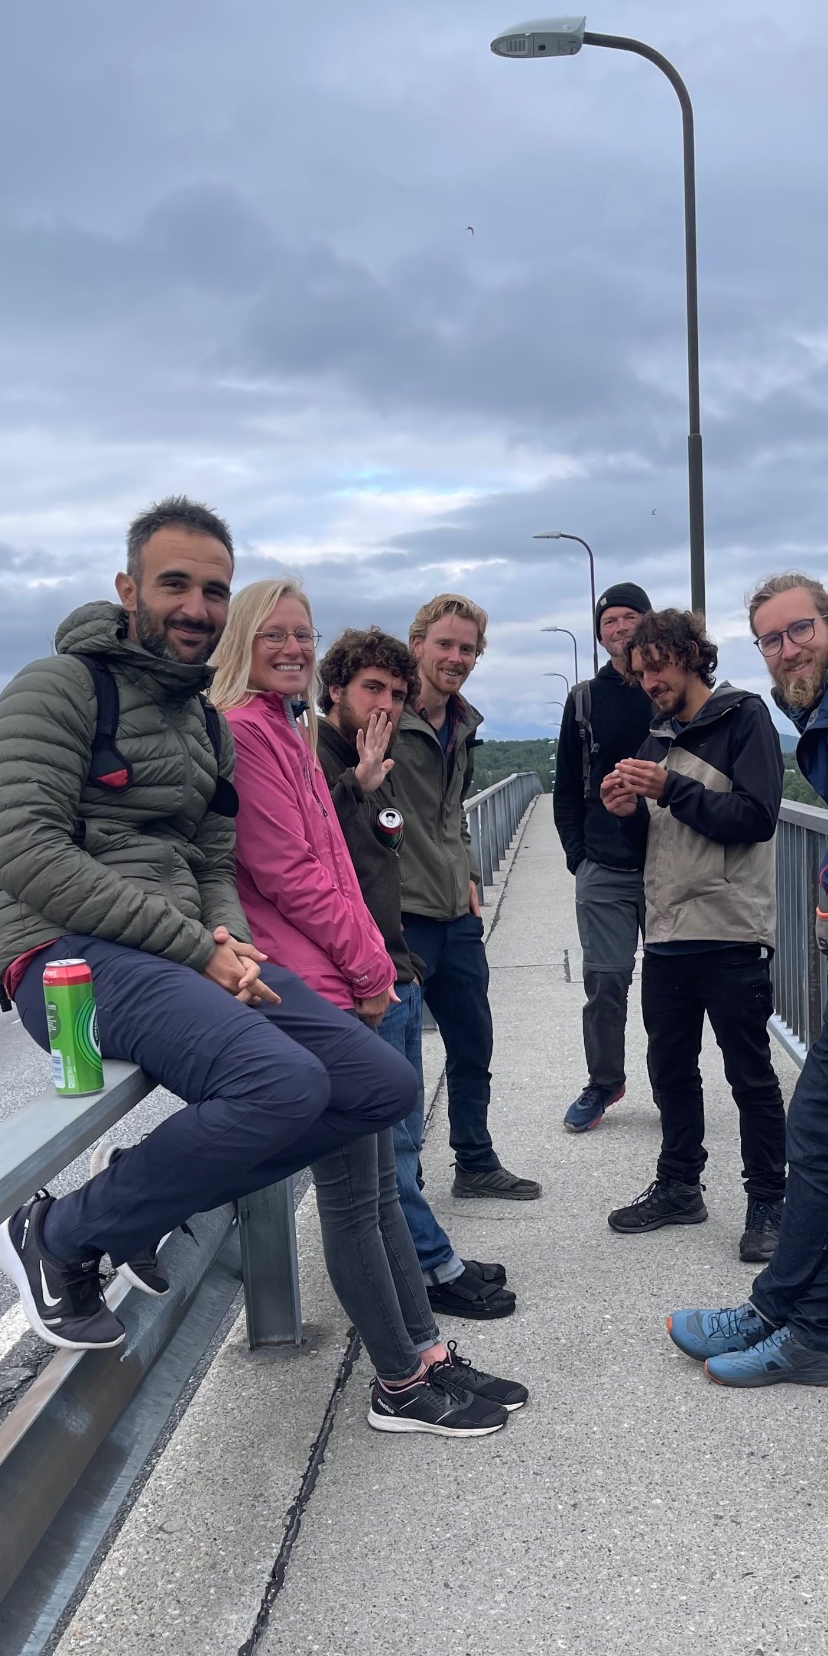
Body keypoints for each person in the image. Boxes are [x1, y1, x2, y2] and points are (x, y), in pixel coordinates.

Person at [0, 498, 419, 1353]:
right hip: (66, 953)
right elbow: (28, 853)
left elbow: (214, 862)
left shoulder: (202, 723)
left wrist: (226, 941)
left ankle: (140, 1203)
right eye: (174, 583)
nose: (195, 607)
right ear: (128, 587)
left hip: (182, 951)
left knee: (380, 1086)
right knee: (283, 1085)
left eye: (213, 589)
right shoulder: (60, 688)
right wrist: (198, 947)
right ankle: (57, 1236)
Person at [208, 580, 526, 1437]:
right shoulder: (247, 733)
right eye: (275, 634)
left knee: (376, 1188)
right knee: (357, 1192)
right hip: (322, 986)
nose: (292, 647)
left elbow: (346, 865)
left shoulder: (285, 732)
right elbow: (293, 877)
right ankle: (398, 1383)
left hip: (351, 977)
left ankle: (422, 1353)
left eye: (302, 634)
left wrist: (374, 961)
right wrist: (370, 969)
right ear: (244, 639)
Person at [669, 571, 828, 1387]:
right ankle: (802, 1322)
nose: (786, 650)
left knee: (820, 1127)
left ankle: (791, 1312)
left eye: (798, 631)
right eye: (771, 640)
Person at [314, 625, 516, 1320]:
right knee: (390, 1135)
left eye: (396, 696)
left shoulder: (369, 750)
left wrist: (459, 873)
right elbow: (306, 858)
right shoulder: (321, 756)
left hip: (389, 954)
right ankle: (430, 1265)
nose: (387, 706)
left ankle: (425, 1253)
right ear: (334, 687)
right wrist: (359, 784)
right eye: (374, 689)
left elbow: (420, 827)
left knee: (400, 1126)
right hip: (361, 966)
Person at [601, 609, 787, 1258]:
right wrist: (625, 810)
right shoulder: (656, 741)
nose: (649, 680)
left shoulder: (744, 717)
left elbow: (758, 816)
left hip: (732, 929)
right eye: (640, 672)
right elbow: (651, 845)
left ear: (689, 655)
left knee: (750, 1073)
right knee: (669, 1067)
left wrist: (669, 786)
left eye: (657, 665)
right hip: (669, 932)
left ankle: (769, 1200)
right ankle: (680, 1185)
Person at [378, 591, 540, 1200]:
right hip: (403, 917)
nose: (456, 656)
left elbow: (455, 814)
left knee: (474, 1044)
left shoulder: (463, 724)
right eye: (444, 644)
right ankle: (406, 1185)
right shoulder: (387, 717)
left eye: (467, 648)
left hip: (455, 913)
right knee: (405, 1066)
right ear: (416, 643)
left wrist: (469, 870)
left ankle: (475, 1161)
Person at [553, 582, 654, 1133]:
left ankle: (673, 1085)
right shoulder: (585, 699)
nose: (619, 628)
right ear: (600, 632)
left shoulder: (671, 688)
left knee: (671, 988)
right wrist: (578, 855)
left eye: (629, 617)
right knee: (607, 980)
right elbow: (565, 784)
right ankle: (604, 1081)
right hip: (604, 865)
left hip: (668, 865)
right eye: (610, 620)